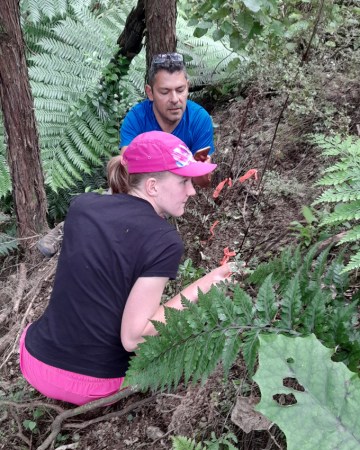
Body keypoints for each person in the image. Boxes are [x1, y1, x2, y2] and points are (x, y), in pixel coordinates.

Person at [20, 131, 233, 406]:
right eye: (183, 181)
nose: (192, 190)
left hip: (35, 361)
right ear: (153, 186)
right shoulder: (164, 240)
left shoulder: (81, 206)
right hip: (95, 384)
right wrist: (208, 283)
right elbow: (133, 338)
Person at [37, 53, 215, 258]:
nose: (175, 99)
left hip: (179, 188)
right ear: (150, 92)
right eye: (165, 92)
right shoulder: (137, 118)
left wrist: (202, 170)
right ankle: (69, 227)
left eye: (180, 90)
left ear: (188, 87)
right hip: (143, 188)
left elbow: (202, 182)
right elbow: (130, 168)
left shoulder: (199, 119)